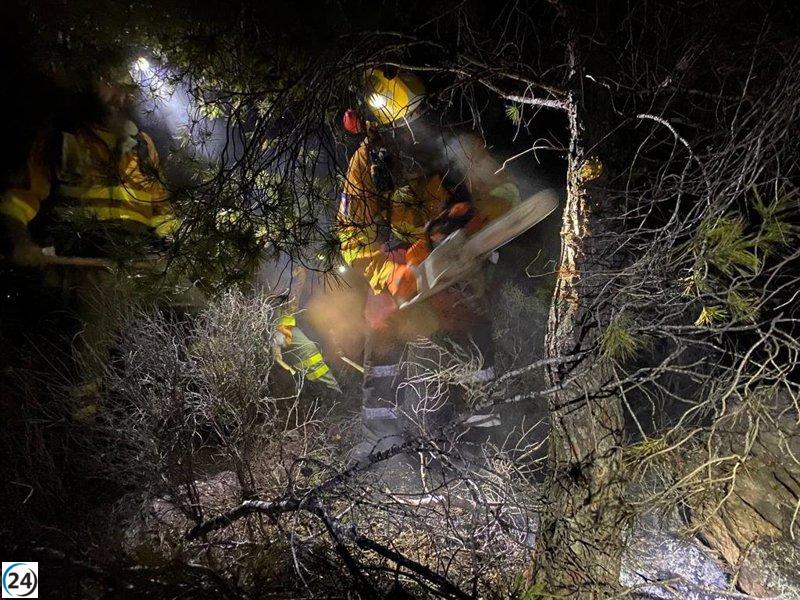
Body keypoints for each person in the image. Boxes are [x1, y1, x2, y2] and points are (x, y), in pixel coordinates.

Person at [338, 68, 520, 451]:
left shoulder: (452, 147)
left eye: (415, 123)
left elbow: (504, 191)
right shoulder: (366, 166)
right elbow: (353, 237)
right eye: (400, 128)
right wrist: (390, 273)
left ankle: (479, 430)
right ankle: (381, 439)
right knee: (381, 321)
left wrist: (472, 221)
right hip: (399, 263)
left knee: (464, 312)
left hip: (453, 256)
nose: (410, 135)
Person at [0, 66, 180, 417]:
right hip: (84, 258)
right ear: (92, 84)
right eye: (111, 85)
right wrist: (21, 243)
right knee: (97, 325)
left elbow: (162, 211)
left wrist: (182, 251)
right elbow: (19, 199)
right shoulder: (63, 139)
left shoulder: (142, 148)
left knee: (197, 305)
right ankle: (87, 426)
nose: (122, 96)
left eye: (130, 88)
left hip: (138, 259)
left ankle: (178, 413)